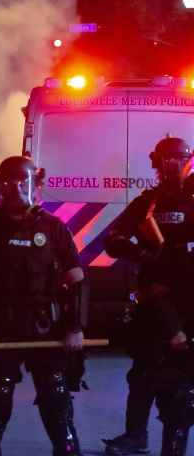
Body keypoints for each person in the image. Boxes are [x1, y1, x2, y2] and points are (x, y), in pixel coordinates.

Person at [0, 156, 86, 456]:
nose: (16, 190)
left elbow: (78, 281)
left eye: (23, 182)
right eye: (8, 183)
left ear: (37, 186)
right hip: (0, 327)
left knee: (56, 399)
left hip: (46, 327)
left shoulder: (54, 228)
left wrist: (76, 327)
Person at [103, 135, 194, 456]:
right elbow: (112, 239)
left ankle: (174, 444)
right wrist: (142, 253)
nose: (172, 166)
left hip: (188, 304)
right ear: (156, 164)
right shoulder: (148, 202)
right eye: (165, 160)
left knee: (182, 385)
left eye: (178, 159)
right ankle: (135, 435)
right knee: (142, 374)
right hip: (153, 303)